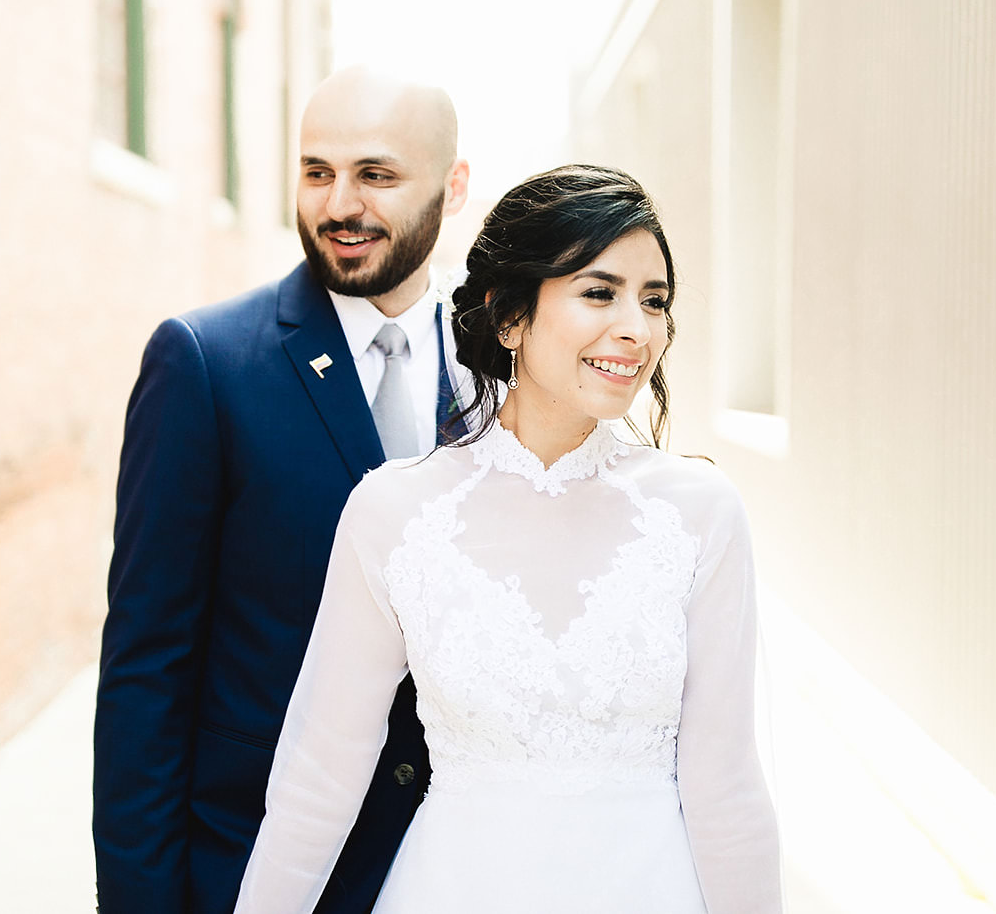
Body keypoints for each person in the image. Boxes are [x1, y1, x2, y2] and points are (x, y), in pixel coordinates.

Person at [233, 165, 783, 913]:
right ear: (510, 317)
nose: (637, 327)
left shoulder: (699, 514)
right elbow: (319, 778)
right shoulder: (395, 512)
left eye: (654, 301)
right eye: (599, 291)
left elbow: (729, 787)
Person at [93, 66, 471, 913]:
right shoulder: (203, 362)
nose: (339, 203)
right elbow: (146, 668)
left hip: (451, 866)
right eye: (316, 171)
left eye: (376, 175)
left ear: (453, 186)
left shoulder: (500, 371)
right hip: (253, 863)